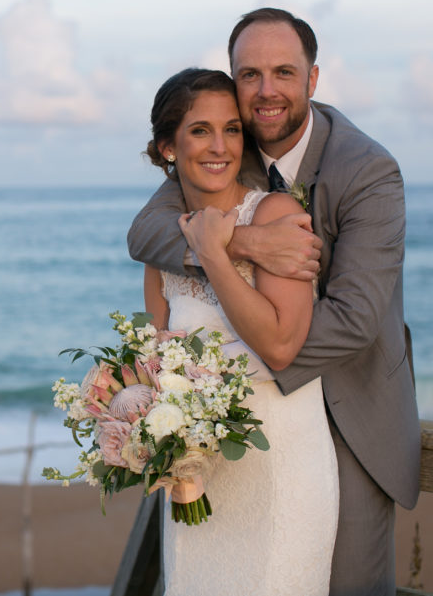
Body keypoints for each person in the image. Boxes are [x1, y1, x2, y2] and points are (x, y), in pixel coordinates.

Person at [128, 9, 420, 596]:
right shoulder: (226, 143)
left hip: (350, 408)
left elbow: (355, 321)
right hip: (229, 432)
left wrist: (218, 381)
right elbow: (147, 232)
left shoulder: (368, 171)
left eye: (284, 72)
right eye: (250, 74)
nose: (266, 92)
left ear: (312, 80)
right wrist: (248, 240)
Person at [140, 67, 339, 595]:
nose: (220, 146)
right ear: (167, 147)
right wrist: (142, 424)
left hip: (282, 464)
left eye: (232, 129)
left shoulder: (275, 212)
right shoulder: (163, 239)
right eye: (200, 131)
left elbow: (280, 344)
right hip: (199, 474)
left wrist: (214, 251)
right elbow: (157, 358)